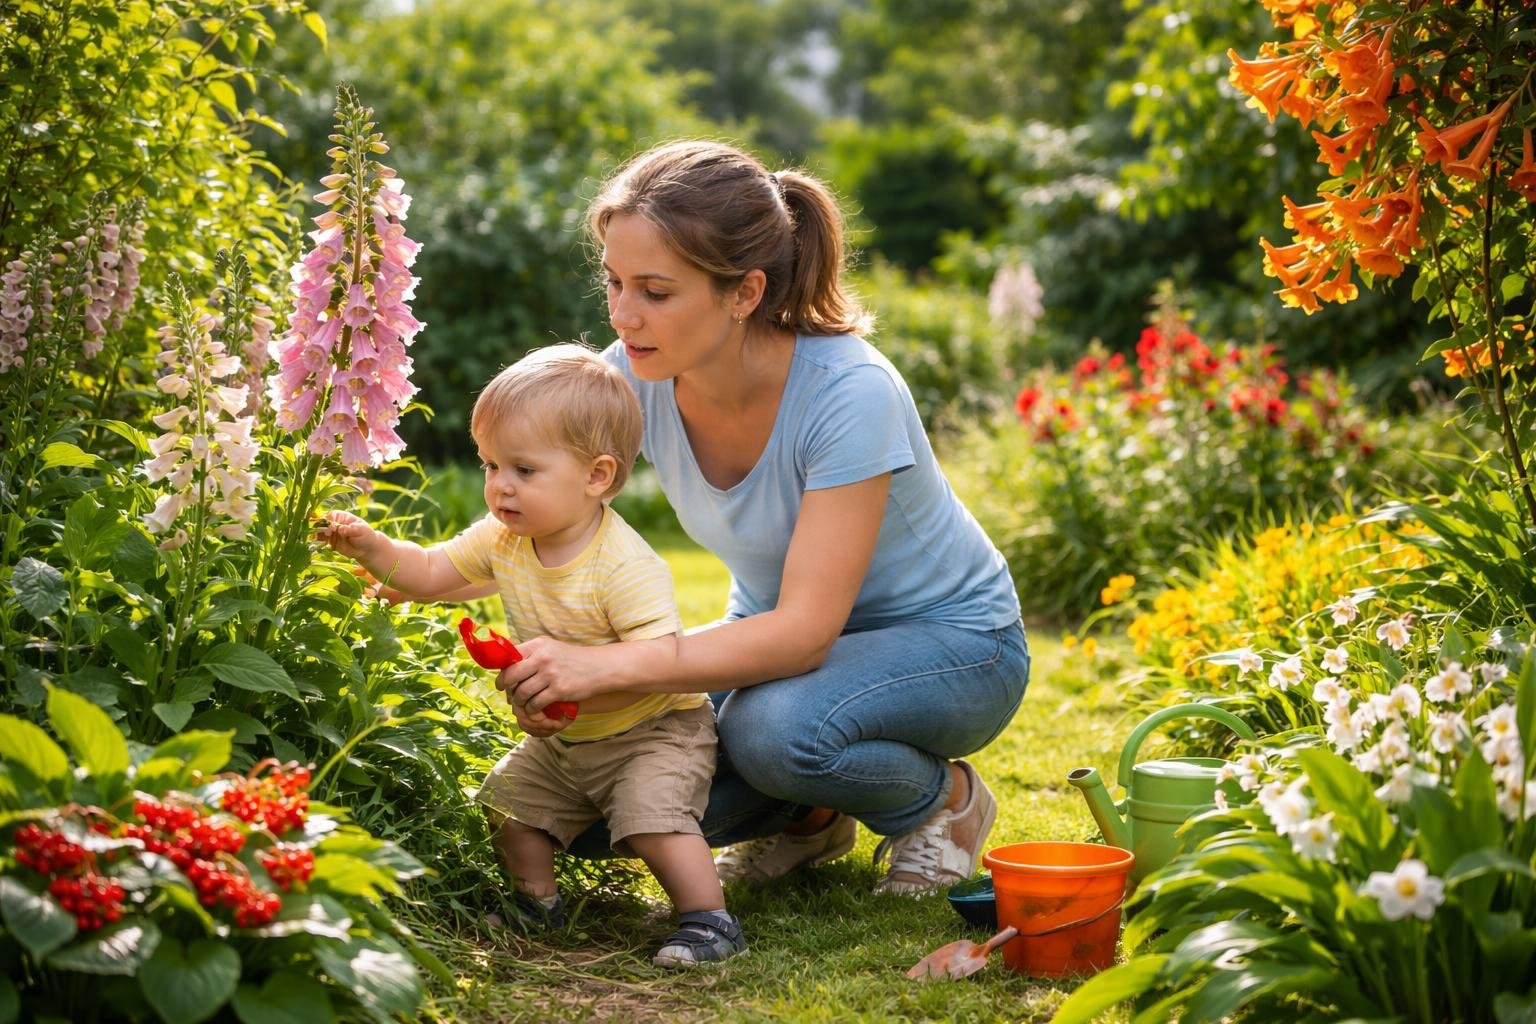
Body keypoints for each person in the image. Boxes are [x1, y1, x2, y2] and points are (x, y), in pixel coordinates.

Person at [500, 140, 1030, 897]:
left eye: (655, 291)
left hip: (956, 648)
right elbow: (545, 495)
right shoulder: (632, 378)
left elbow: (807, 632)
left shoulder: (850, 392)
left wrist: (610, 663)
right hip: (782, 649)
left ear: (744, 293)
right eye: (614, 284)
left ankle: (943, 803)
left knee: (775, 733)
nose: (624, 315)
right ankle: (813, 818)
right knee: (598, 801)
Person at [317, 344, 745, 967]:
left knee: (654, 821)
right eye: (490, 465)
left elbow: (660, 661)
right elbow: (433, 571)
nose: (499, 487)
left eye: (523, 469)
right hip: (567, 735)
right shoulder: (505, 537)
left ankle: (708, 920)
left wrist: (574, 693)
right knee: (510, 804)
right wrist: (372, 548)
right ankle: (536, 904)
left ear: (597, 476)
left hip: (654, 730)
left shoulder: (622, 566)